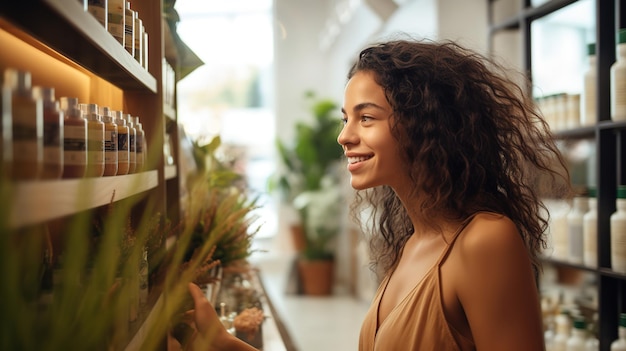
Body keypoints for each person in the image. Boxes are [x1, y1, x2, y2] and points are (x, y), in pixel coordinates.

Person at [186, 38, 572, 351]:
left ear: (425, 125)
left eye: (366, 117)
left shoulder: (485, 240)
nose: (344, 136)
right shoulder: (410, 244)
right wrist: (224, 344)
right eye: (346, 118)